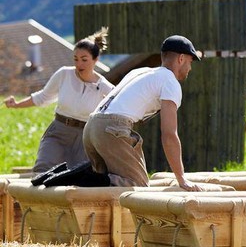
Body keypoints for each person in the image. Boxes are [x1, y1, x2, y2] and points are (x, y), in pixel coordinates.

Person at [83, 35, 203, 191]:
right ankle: (82, 178)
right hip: (111, 129)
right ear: (181, 59)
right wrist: (181, 179)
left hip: (91, 126)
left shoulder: (140, 72)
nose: (190, 68)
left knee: (103, 188)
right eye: (190, 61)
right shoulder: (170, 82)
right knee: (138, 186)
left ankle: (79, 178)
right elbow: (169, 135)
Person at [5, 28, 114, 173]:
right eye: (75, 59)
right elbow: (42, 97)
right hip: (58, 132)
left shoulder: (106, 88)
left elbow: (117, 112)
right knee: (42, 170)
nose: (79, 64)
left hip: (84, 139)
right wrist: (17, 105)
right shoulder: (64, 74)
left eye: (84, 60)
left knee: (77, 178)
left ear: (95, 60)